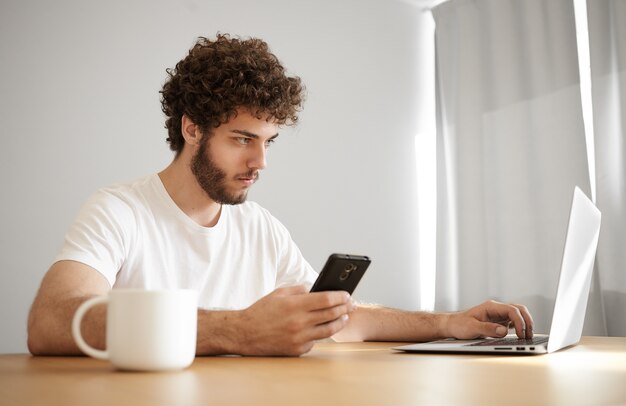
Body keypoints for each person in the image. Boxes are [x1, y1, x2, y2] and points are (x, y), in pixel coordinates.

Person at [27, 34, 533, 357]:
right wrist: (235, 331)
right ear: (191, 128)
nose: (260, 162)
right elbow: (51, 322)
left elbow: (337, 322)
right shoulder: (119, 210)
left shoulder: (259, 226)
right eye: (243, 140)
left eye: (268, 142)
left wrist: (447, 322)